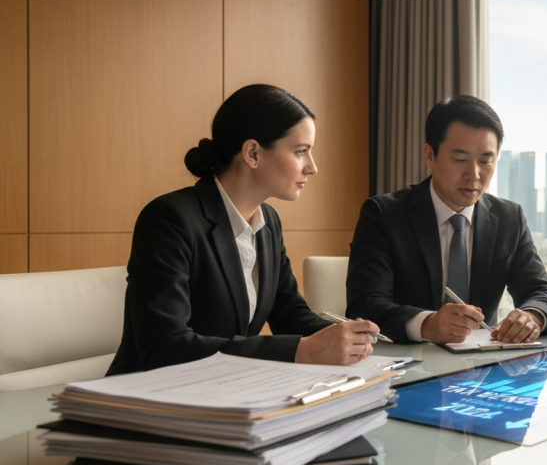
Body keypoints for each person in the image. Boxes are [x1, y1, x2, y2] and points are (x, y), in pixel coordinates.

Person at [107, 84, 378, 375]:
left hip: (224, 392)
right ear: (252, 153)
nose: (312, 167)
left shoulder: (268, 222)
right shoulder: (169, 219)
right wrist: (300, 350)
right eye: (301, 151)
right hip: (147, 399)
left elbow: (288, 312)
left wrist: (347, 337)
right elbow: (166, 347)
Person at [346, 95, 547, 345]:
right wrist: (426, 324)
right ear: (430, 155)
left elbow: (542, 292)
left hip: (481, 368)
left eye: (485, 161)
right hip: (405, 365)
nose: (474, 174)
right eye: (460, 160)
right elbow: (365, 304)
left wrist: (531, 317)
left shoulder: (508, 218)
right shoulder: (384, 214)